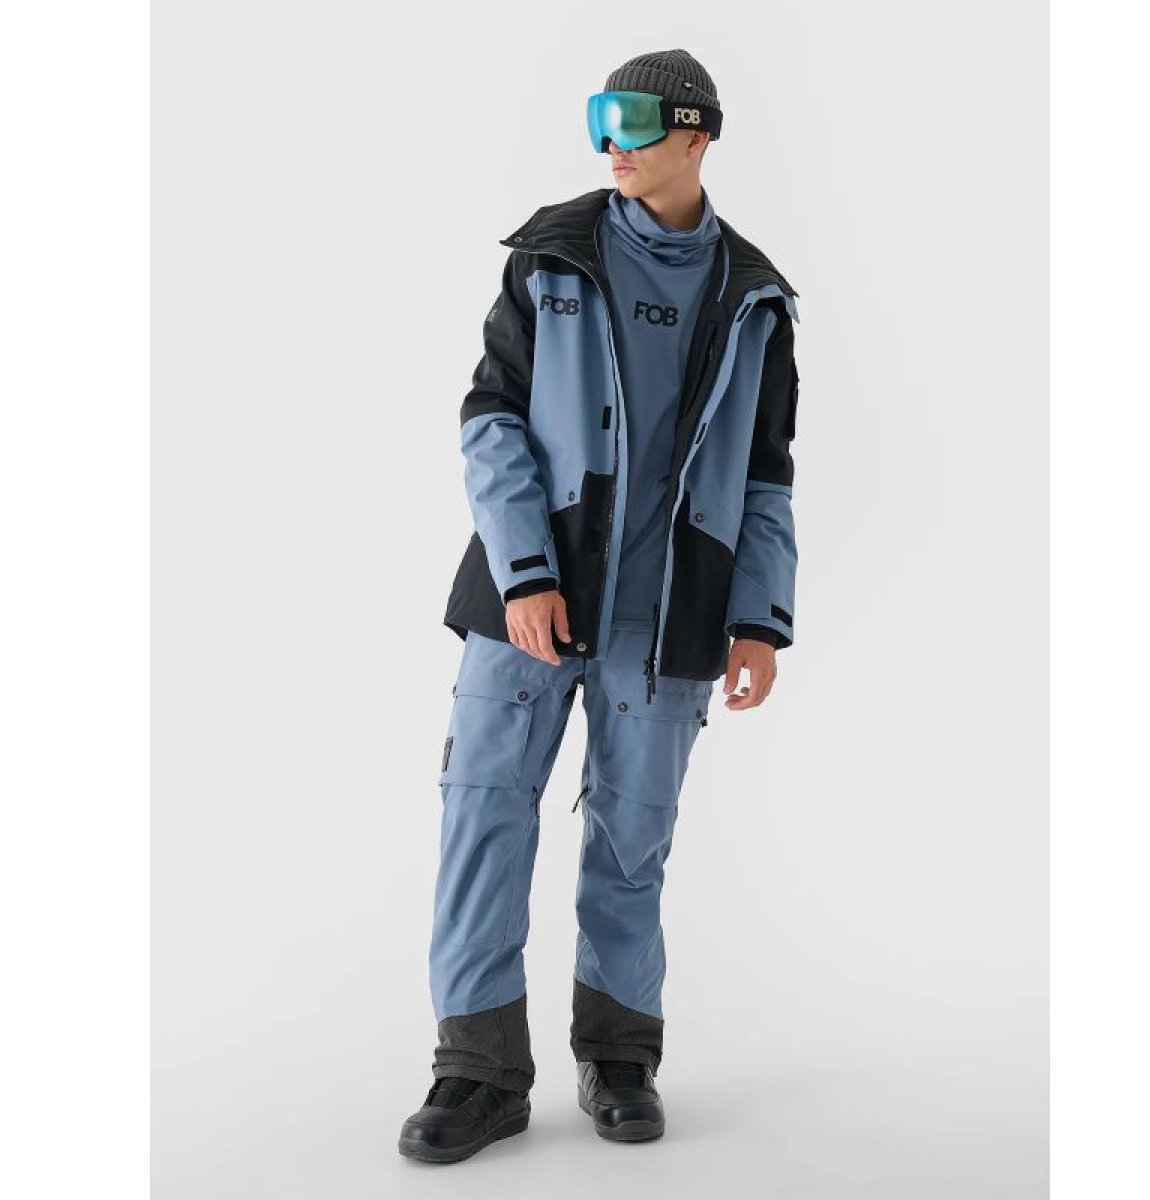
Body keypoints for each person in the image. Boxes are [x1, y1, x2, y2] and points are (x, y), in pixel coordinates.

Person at [399, 48, 799, 1164]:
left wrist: (759, 618)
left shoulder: (757, 297)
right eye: (598, 120)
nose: (611, 145)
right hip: (529, 602)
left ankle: (619, 1059)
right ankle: (477, 1072)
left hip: (669, 618)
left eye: (632, 121)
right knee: (483, 818)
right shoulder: (553, 255)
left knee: (633, 841)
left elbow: (766, 477)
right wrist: (525, 573)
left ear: (695, 134)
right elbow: (491, 419)